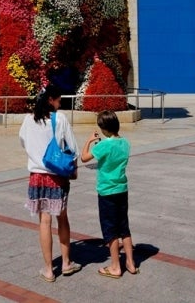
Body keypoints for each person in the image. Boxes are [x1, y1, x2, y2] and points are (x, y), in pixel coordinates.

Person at [19, 84, 81, 282]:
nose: (60, 102)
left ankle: (48, 269)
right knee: (62, 219)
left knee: (44, 222)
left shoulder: (28, 119)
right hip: (57, 177)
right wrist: (75, 170)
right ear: (50, 100)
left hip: (37, 177)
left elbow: (23, 142)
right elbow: (73, 148)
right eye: (58, 99)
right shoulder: (59, 119)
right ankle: (65, 263)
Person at [81, 110, 139, 278]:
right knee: (124, 228)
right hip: (122, 189)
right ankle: (131, 262)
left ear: (104, 129)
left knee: (110, 230)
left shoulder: (103, 145)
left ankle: (115, 266)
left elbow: (84, 158)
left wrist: (90, 141)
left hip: (107, 191)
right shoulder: (125, 143)